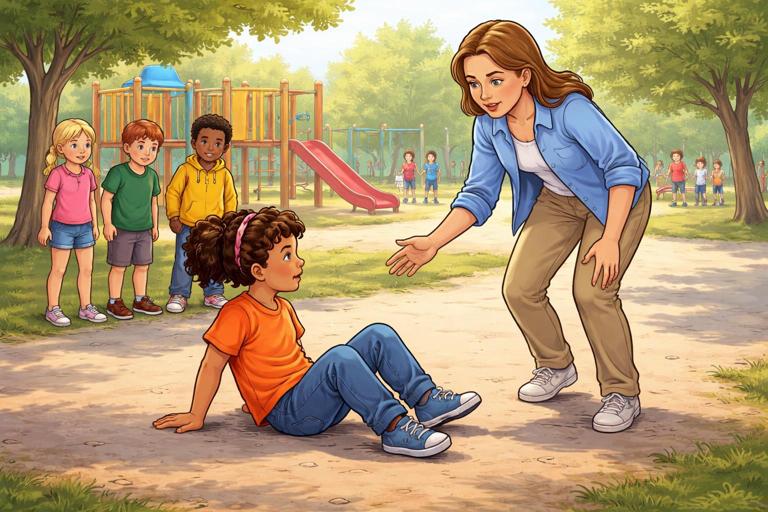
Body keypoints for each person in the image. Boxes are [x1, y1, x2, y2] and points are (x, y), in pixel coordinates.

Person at [387, 20, 651, 433]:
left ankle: (622, 392)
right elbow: (478, 194)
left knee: (593, 291)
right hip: (558, 201)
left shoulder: (569, 110)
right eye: (474, 84)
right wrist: (434, 241)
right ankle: (555, 365)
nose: (485, 95)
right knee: (519, 287)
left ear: (524, 75)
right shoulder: (489, 126)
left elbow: (622, 168)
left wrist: (612, 238)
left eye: (495, 80)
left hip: (616, 199)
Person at [153, 207, 482, 458]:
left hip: (310, 397)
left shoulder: (283, 308)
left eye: (295, 252)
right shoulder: (236, 313)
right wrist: (198, 414)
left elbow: (284, 359)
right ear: (258, 271)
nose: (299, 261)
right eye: (287, 255)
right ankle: (394, 427)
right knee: (340, 357)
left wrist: (315, 383)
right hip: (291, 415)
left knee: (376, 335)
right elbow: (214, 363)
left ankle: (427, 401)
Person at [165, 114, 237, 313]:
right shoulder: (185, 170)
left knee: (214, 260)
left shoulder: (224, 174)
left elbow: (230, 198)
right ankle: (179, 294)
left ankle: (213, 293)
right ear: (194, 143)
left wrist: (229, 220)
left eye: (217, 143)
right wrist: (173, 216)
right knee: (182, 259)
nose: (210, 148)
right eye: (204, 141)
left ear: (225, 147)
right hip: (188, 225)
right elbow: (173, 192)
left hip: (215, 228)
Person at [37, 119, 106, 326]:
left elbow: (92, 201)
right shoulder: (57, 174)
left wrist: (95, 225)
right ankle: (53, 309)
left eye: (86, 145)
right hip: (62, 228)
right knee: (58, 270)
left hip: (85, 228)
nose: (82, 150)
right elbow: (48, 202)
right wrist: (44, 226)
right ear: (61, 148)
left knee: (86, 270)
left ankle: (86, 307)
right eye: (74, 145)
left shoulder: (88, 175)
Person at [101, 120, 164, 320]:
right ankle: (114, 301)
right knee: (119, 266)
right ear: (127, 148)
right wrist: (108, 223)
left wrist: (154, 226)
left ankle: (140, 299)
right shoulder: (118, 173)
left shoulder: (152, 176)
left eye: (153, 148)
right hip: (122, 230)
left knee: (142, 265)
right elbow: (106, 199)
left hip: (144, 230)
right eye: (141, 146)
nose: (147, 152)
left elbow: (154, 202)